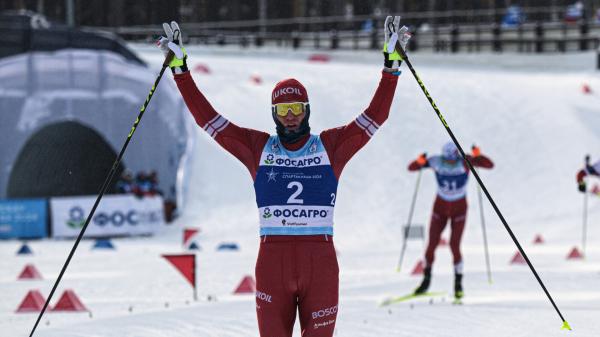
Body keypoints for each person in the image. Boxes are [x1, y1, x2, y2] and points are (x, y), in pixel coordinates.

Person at [159, 17, 410, 337]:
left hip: (319, 263)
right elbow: (208, 120)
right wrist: (181, 71)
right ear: (273, 114)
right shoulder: (257, 148)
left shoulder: (330, 147)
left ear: (307, 110)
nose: (290, 117)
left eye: (296, 108)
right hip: (272, 264)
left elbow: (376, 116)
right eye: (282, 110)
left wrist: (391, 68)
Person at [407, 142, 493, 300]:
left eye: (452, 161)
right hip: (439, 210)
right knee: (431, 244)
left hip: (459, 210)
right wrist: (419, 161)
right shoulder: (436, 161)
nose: (450, 164)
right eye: (447, 161)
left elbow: (489, 165)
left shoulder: (464, 161)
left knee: (454, 245)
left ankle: (458, 284)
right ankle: (426, 281)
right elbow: (411, 168)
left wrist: (477, 155)